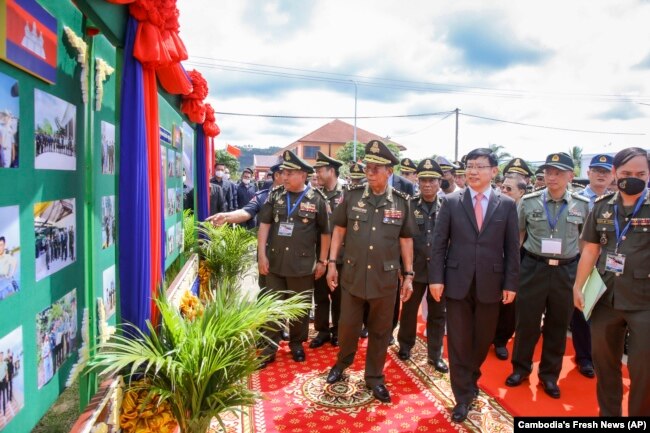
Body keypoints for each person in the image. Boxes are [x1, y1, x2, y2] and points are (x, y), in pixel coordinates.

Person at [431, 148, 519, 422]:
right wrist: (436, 277)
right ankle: (463, 395)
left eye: (479, 166)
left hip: (491, 284)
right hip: (457, 282)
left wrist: (511, 282)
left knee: (481, 341)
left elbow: (511, 248)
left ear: (494, 171)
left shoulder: (506, 204)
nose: (473, 171)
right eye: (469, 166)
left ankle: (472, 376)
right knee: (458, 341)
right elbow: (438, 243)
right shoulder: (452, 201)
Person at [325, 139, 415, 403]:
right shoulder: (351, 196)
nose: (371, 171)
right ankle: (342, 364)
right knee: (347, 327)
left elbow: (406, 239)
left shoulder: (401, 202)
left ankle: (374, 377)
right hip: (352, 276)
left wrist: (408, 275)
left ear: (390, 171)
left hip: (384, 279)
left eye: (378, 167)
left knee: (380, 331)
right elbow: (338, 230)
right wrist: (332, 263)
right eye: (368, 166)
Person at [506, 152, 590, 399]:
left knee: (558, 325)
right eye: (548, 172)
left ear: (570, 176)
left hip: (566, 271)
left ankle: (549, 376)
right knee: (527, 323)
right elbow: (517, 237)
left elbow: (586, 243)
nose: (551, 177)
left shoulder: (582, 204)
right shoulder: (529, 201)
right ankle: (520, 369)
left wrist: (583, 279)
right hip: (534, 268)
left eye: (558, 172)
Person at [573, 147, 650, 416]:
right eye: (627, 173)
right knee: (605, 365)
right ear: (615, 173)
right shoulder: (603, 206)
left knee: (643, 370)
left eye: (640, 173)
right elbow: (591, 249)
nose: (634, 178)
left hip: (645, 301)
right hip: (606, 297)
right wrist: (578, 285)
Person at [257, 151, 331, 367]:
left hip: (302, 264)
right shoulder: (276, 195)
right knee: (272, 307)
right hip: (275, 263)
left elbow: (325, 233)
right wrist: (262, 254)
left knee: (300, 308)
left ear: (303, 175)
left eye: (289, 173)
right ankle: (269, 347)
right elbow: (264, 225)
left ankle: (297, 345)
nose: (284, 177)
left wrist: (323, 261)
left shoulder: (317, 199)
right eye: (283, 173)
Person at [397, 158, 448, 373]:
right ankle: (405, 345)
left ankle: (435, 355)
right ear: (418, 181)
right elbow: (400, 238)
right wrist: (402, 268)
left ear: (439, 182)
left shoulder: (448, 206)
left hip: (439, 271)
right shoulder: (408, 205)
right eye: (423, 180)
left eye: (432, 180)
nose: (427, 184)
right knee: (409, 309)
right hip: (414, 268)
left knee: (437, 314)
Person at [570, 154, 615, 379]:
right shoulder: (574, 199)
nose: (601, 175)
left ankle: (601, 355)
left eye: (606, 171)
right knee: (581, 312)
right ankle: (585, 357)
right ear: (588, 173)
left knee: (604, 313)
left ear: (612, 175)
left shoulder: (617, 201)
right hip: (580, 260)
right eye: (596, 170)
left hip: (609, 265)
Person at [309, 152, 345, 348]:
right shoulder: (315, 195)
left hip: (341, 257)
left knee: (339, 296)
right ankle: (322, 331)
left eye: (319, 170)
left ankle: (338, 330)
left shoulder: (347, 194)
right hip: (320, 255)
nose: (317, 174)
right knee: (320, 295)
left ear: (332, 171)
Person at [491, 176, 527, 360]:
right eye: (502, 187)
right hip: (493, 262)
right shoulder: (494, 206)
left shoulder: (527, 209)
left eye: (509, 189)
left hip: (517, 262)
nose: (503, 191)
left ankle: (500, 341)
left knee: (509, 305)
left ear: (521, 192)